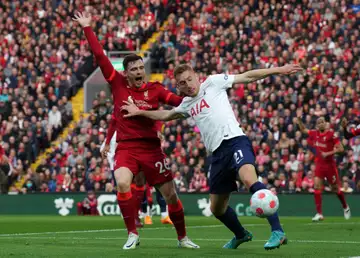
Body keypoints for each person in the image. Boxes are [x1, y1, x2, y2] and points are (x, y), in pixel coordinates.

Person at [121, 63, 303, 250]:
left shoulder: (214, 82)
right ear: (179, 87)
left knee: (249, 178)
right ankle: (241, 235)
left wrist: (278, 70)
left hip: (235, 141)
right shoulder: (186, 104)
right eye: (183, 83)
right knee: (217, 209)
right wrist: (140, 112)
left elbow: (247, 76)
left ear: (196, 76)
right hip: (216, 154)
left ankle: (278, 231)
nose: (189, 84)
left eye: (190, 79)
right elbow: (166, 114)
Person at [73, 12, 198, 250]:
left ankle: (183, 238)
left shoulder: (155, 89)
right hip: (127, 148)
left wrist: (194, 94)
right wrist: (87, 28)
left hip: (151, 149)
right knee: (122, 183)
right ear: (126, 72)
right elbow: (100, 56)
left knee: (170, 194)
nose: (140, 72)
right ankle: (132, 233)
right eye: (135, 69)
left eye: (142, 68)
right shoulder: (117, 83)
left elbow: (176, 101)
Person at [297, 115, 350, 221]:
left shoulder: (332, 135)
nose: (321, 123)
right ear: (317, 125)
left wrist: (329, 153)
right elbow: (303, 129)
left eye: (322, 122)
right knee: (317, 187)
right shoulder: (314, 133)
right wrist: (299, 120)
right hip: (319, 165)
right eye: (319, 122)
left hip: (330, 166)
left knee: (335, 190)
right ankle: (319, 213)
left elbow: (341, 149)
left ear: (325, 124)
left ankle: (345, 207)